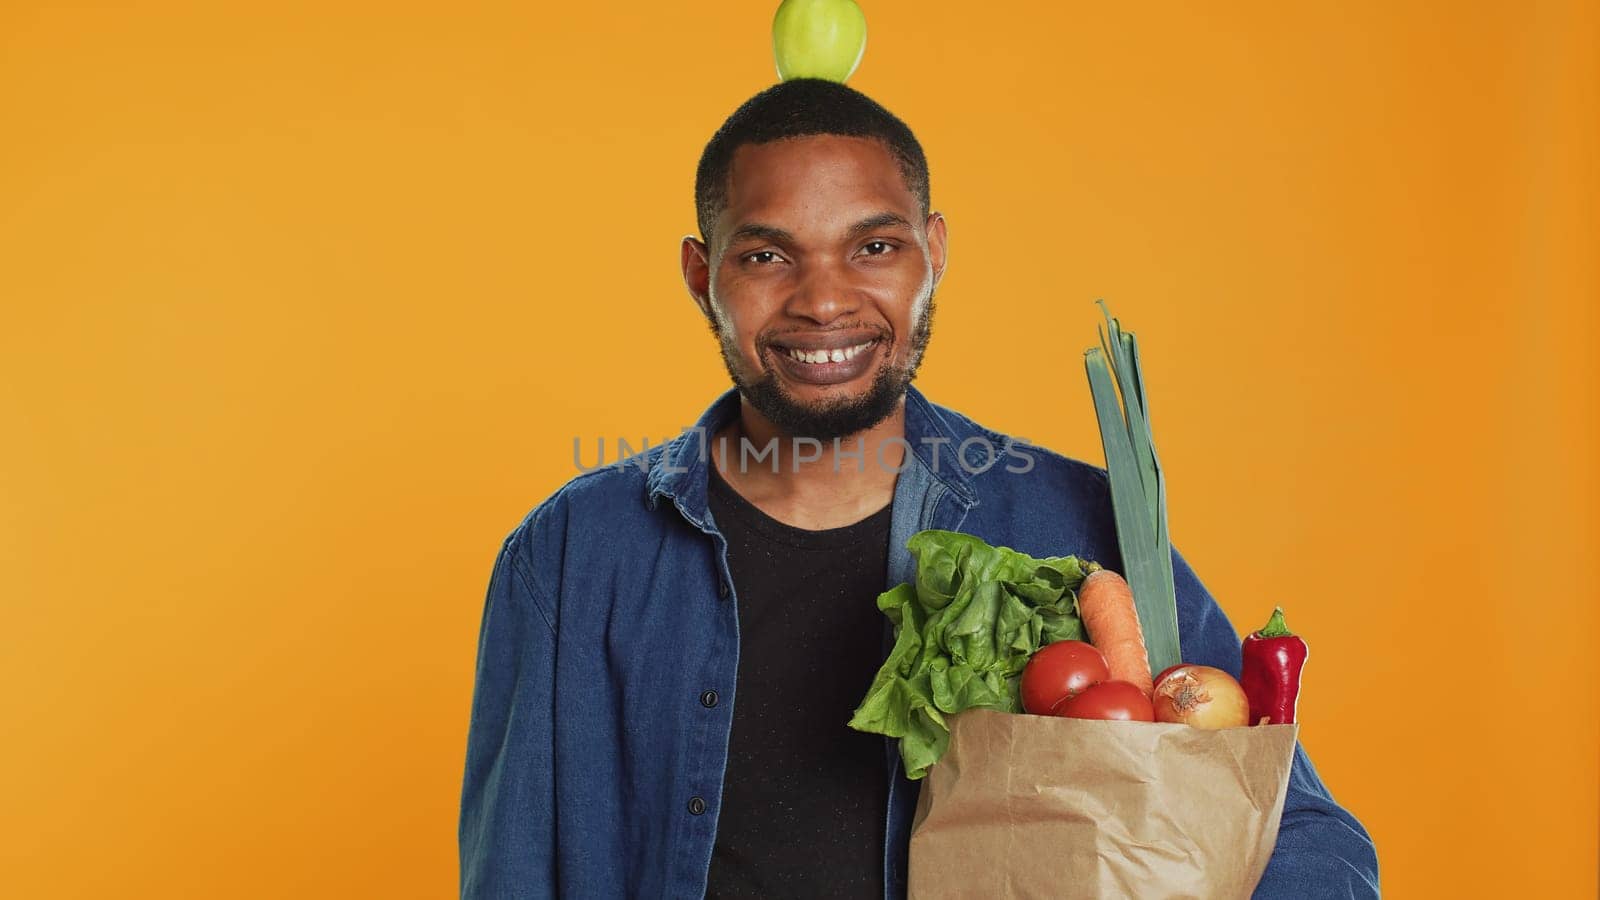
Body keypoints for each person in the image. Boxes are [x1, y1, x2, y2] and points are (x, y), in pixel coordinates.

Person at [458, 78, 1379, 899]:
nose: (824, 300)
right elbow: (512, 874)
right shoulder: (574, 555)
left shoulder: (1082, 526)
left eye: (874, 247)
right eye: (767, 256)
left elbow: (1305, 836)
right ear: (704, 275)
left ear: (932, 255)